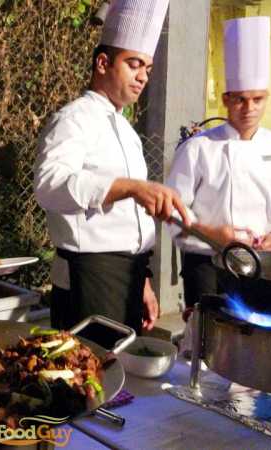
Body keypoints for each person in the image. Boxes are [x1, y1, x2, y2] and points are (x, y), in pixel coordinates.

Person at [34, 0, 189, 347]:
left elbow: (126, 224)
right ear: (103, 63)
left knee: (121, 382)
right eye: (134, 64)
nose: (143, 77)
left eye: (147, 68)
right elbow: (49, 186)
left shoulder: (125, 130)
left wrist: (144, 282)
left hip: (129, 275)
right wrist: (130, 187)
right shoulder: (73, 119)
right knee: (90, 382)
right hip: (89, 278)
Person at [165, 16, 271, 309]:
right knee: (208, 337)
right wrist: (215, 235)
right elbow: (173, 213)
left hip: (261, 262)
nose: (249, 108)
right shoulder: (198, 148)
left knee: (254, 335)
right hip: (205, 263)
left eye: (257, 99)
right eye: (241, 100)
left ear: (267, 98)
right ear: (226, 99)